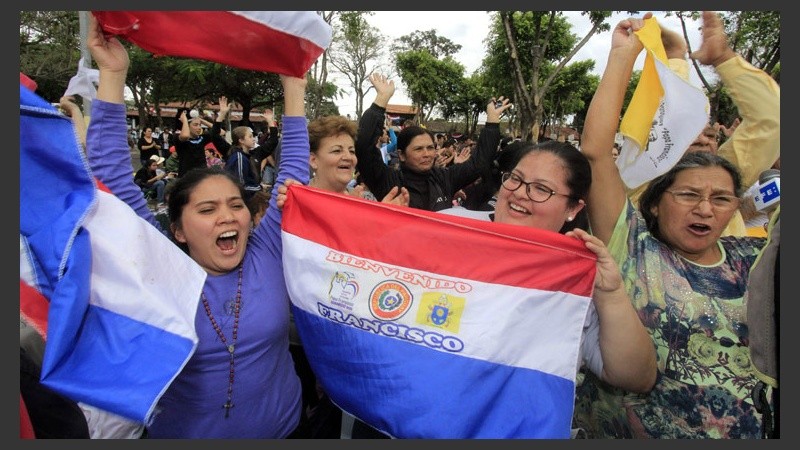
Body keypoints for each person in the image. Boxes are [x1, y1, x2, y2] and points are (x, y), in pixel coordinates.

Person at [275, 138, 657, 439]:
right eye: (516, 179)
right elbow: (370, 278)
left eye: (541, 189)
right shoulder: (453, 224)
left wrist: (610, 294)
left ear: (573, 208)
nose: (521, 193)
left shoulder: (572, 284)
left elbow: (635, 376)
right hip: (389, 421)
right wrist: (307, 206)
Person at [83, 14, 310, 438]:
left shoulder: (266, 251)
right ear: (179, 230)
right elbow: (111, 179)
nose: (227, 216)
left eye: (235, 205)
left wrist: (294, 86)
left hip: (286, 430)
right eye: (207, 210)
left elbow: (293, 174)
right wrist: (112, 74)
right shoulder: (160, 263)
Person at [573, 12, 770, 438]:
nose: (705, 209)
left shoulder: (757, 260)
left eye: (721, 199)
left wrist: (726, 60)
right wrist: (625, 57)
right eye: (688, 195)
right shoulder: (631, 242)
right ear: (656, 203)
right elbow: (596, 151)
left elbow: (773, 121)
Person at [355, 73, 507, 211]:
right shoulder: (387, 180)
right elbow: (363, 146)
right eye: (418, 149)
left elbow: (479, 163)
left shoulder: (444, 178)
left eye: (430, 148)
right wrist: (381, 100)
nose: (427, 154)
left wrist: (492, 121)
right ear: (401, 155)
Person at [174, 98, 230, 178]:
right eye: (195, 125)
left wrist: (202, 120)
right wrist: (185, 121)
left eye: (200, 125)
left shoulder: (202, 138)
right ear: (187, 126)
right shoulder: (178, 138)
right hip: (186, 177)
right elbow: (185, 136)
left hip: (201, 175)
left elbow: (221, 132)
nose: (199, 127)